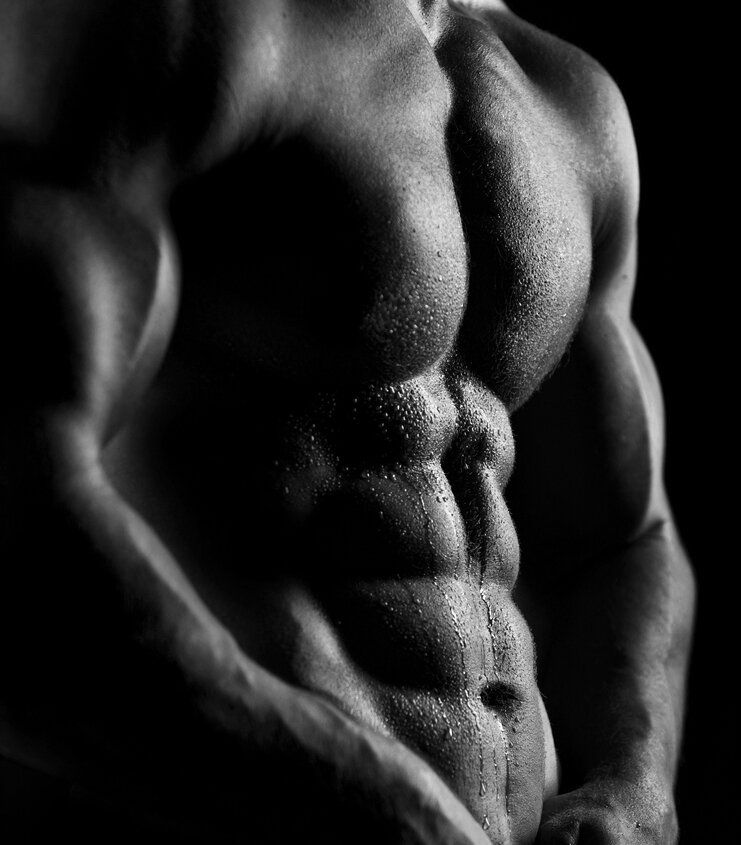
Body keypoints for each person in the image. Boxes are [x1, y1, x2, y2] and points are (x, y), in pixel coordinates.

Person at [0, 0, 695, 842]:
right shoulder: (166, 26)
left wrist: (632, 788)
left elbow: (620, 539)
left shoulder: (567, 100)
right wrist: (359, 802)